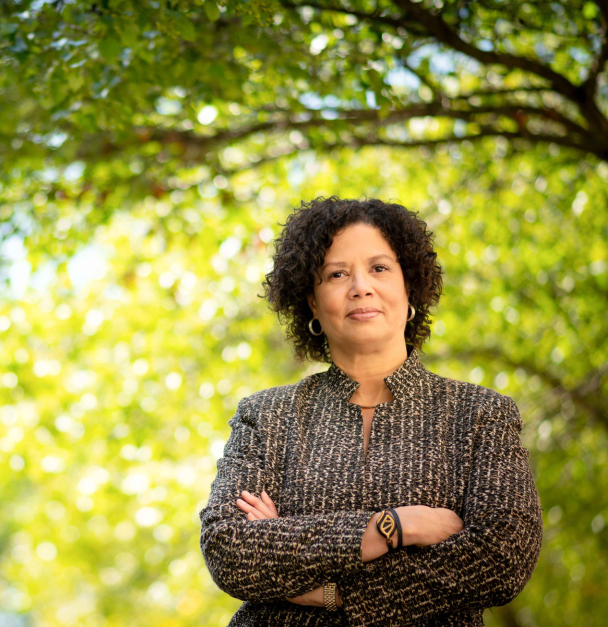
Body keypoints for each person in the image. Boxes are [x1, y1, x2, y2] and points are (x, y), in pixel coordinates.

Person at [199, 196, 543, 627]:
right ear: (311, 302)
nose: (360, 286)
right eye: (336, 274)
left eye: (379, 268)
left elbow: (501, 558)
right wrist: (395, 526)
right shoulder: (264, 416)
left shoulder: (480, 414)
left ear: (408, 287)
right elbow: (229, 548)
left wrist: (326, 594)